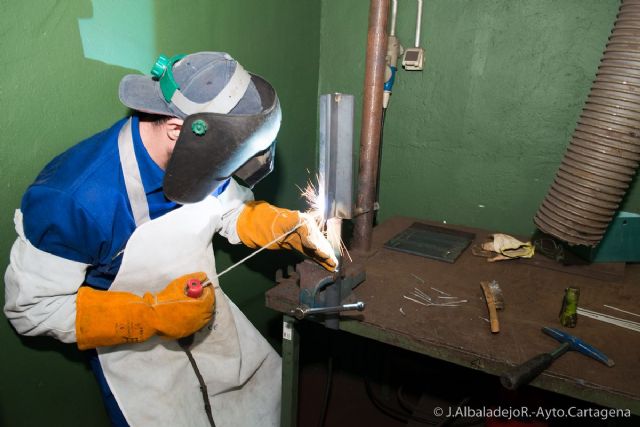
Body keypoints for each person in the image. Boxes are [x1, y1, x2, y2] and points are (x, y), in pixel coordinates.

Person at [4, 51, 337, 427]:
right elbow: (32, 309)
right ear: (178, 130)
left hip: (214, 328)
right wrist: (151, 314)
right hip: (140, 364)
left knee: (268, 405)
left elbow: (226, 209)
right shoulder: (74, 197)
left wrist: (275, 224)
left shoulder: (202, 148)